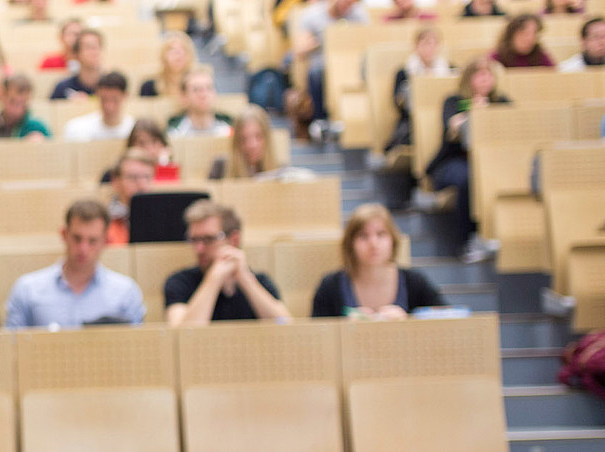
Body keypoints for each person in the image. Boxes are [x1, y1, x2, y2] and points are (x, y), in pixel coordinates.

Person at [5, 200, 146, 328]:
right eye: (77, 239)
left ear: (106, 241)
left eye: (92, 241)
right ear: (64, 234)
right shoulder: (28, 290)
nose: (83, 249)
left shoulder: (125, 292)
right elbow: (11, 349)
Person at [428, 57, 510, 262]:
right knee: (470, 178)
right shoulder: (454, 101)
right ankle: (466, 240)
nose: (485, 79)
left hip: (494, 162)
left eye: (489, 74)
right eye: (479, 74)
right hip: (454, 162)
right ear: (468, 79)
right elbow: (452, 126)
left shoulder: (502, 102)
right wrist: (474, 112)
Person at [164, 201, 289, 326]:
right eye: (194, 240)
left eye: (208, 239)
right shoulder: (179, 282)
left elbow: (285, 326)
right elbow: (182, 336)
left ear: (233, 240)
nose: (199, 249)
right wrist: (213, 279)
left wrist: (245, 279)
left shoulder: (261, 281)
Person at [312, 204, 445, 319]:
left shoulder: (415, 282)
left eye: (381, 234)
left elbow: (445, 320)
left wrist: (409, 321)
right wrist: (343, 329)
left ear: (393, 241)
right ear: (350, 244)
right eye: (363, 236)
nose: (373, 244)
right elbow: (316, 336)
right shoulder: (330, 286)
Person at [292, 0, 369, 121]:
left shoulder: (358, 15)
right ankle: (321, 121)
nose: (347, 6)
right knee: (316, 74)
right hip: (323, 64)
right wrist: (325, 39)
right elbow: (299, 50)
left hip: (351, 63)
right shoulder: (312, 15)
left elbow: (367, 41)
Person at [388, 27, 453, 150]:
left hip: (442, 116)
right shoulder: (404, 72)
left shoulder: (450, 69)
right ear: (416, 46)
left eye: (434, 43)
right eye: (426, 43)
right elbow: (398, 104)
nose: (430, 48)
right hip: (412, 120)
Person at [63, 72, 136, 142]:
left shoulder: (134, 130)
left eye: (115, 100)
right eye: (104, 100)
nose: (109, 106)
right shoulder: (77, 129)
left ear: (125, 96)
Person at [105, 152, 157, 245]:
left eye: (147, 177)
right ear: (115, 181)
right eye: (133, 177)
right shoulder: (106, 221)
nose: (142, 184)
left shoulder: (160, 216)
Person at [166, 69, 233, 138]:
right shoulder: (175, 132)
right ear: (184, 97)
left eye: (209, 88)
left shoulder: (229, 129)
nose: (203, 95)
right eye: (196, 89)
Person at [226, 107, 282, 178]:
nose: (252, 145)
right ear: (236, 142)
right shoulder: (221, 168)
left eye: (258, 136)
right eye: (244, 139)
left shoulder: (280, 173)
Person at [50, 28, 105, 100]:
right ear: (76, 54)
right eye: (88, 47)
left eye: (96, 47)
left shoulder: (113, 86)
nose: (94, 52)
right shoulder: (63, 88)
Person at [139, 33, 197, 97]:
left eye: (183, 49)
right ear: (163, 55)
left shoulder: (199, 85)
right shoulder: (149, 86)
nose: (179, 54)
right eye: (172, 49)